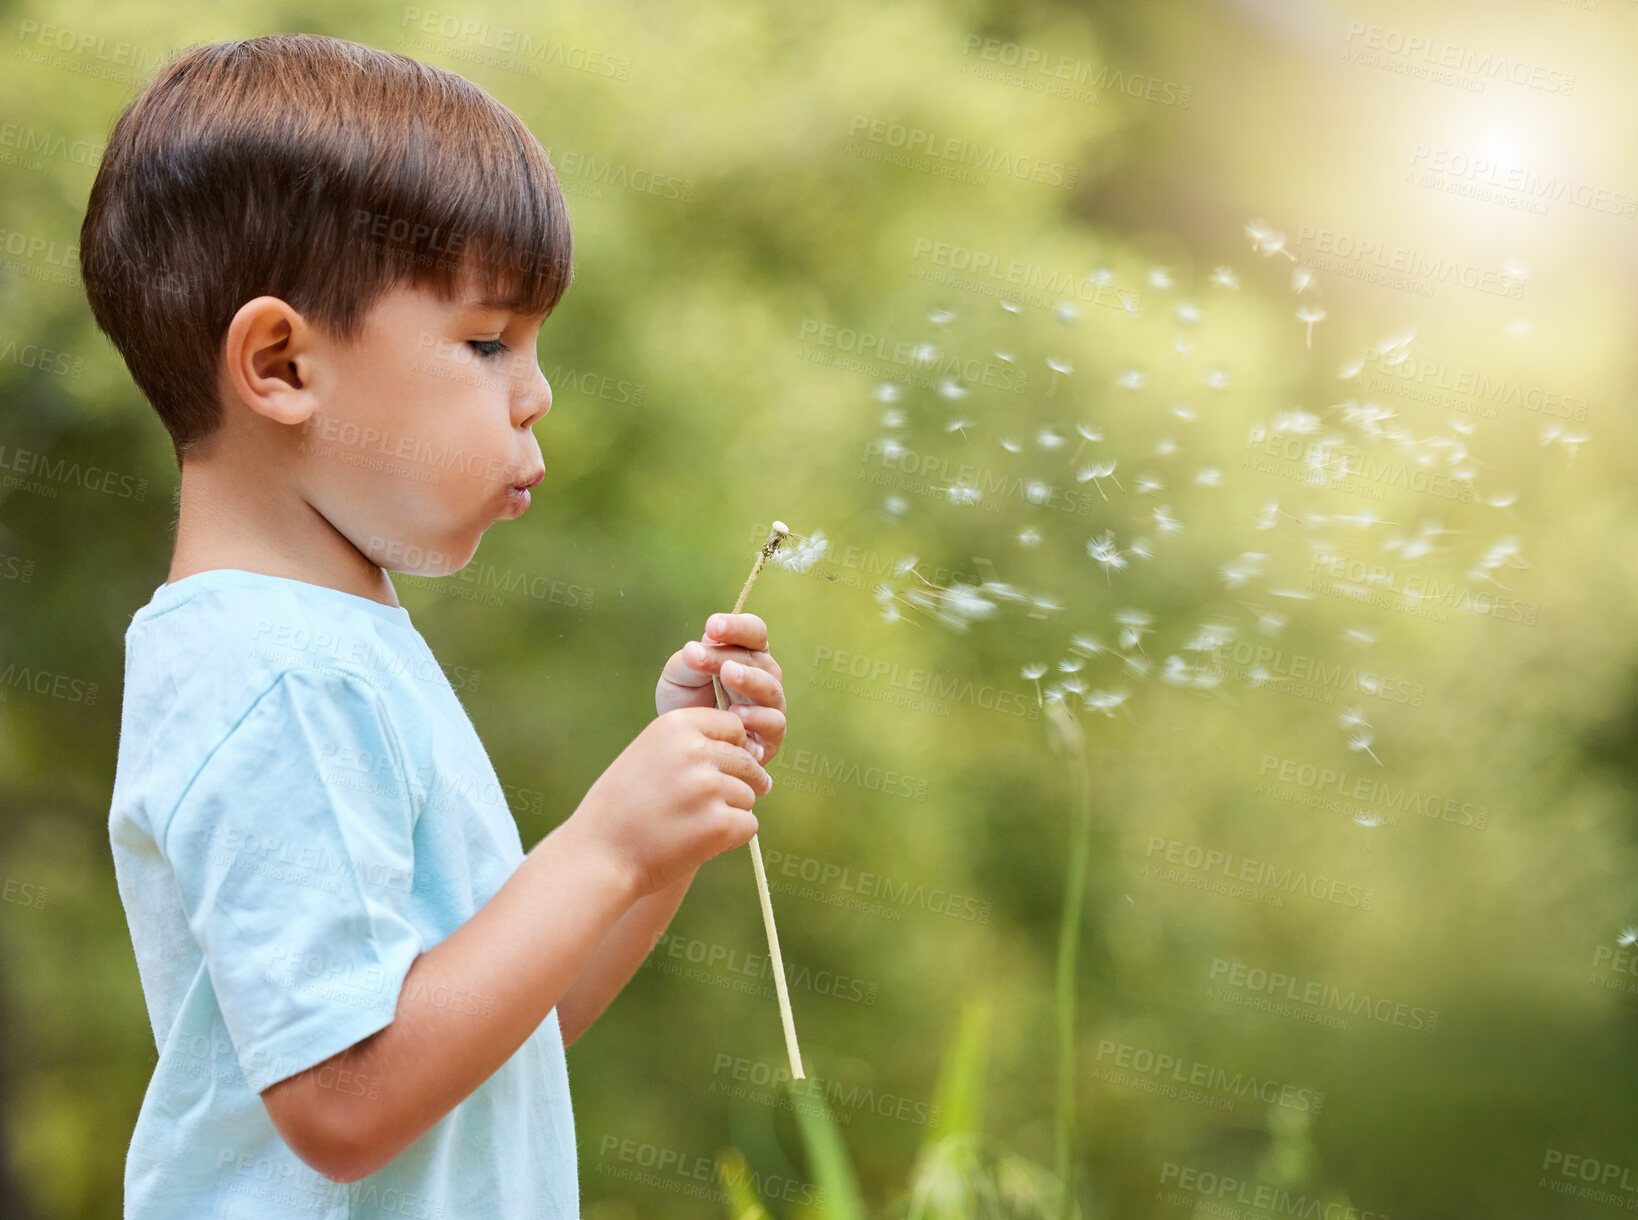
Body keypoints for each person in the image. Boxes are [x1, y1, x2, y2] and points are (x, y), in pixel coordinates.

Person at [80, 32, 785, 1219]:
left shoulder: (342, 648)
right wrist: (605, 842)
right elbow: (348, 1102)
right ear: (281, 363)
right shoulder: (278, 677)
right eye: (487, 341)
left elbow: (512, 1026)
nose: (536, 390)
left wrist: (655, 849)